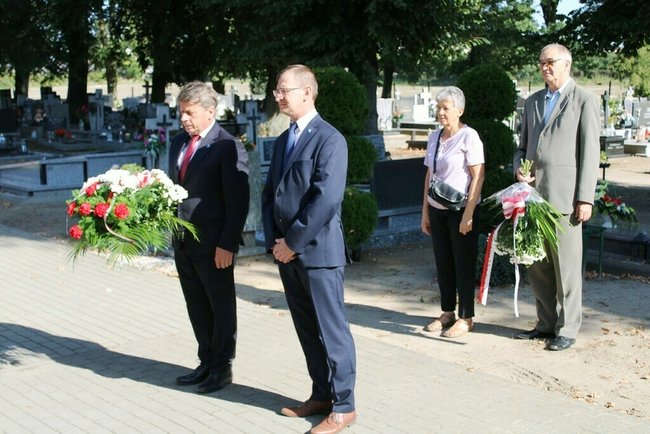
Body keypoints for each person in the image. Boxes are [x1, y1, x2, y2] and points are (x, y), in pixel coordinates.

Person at [262, 65, 357, 434]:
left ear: (307, 92)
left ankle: (344, 406)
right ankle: (322, 394)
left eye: (284, 89)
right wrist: (276, 242)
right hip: (286, 252)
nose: (278, 96)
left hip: (318, 254)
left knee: (332, 330)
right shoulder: (284, 139)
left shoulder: (330, 139)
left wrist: (292, 242)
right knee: (306, 329)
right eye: (277, 90)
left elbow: (326, 199)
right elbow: (271, 192)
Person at [513, 43, 600, 351]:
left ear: (566, 64)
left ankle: (568, 328)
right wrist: (518, 168)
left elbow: (590, 153)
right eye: (541, 62)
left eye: (550, 62)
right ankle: (546, 323)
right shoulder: (532, 101)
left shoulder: (584, 100)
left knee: (567, 269)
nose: (544, 67)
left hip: (565, 200)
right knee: (538, 267)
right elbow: (522, 148)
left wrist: (585, 198)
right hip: (533, 198)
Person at [169, 81, 250, 392]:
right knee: (197, 304)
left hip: (214, 243)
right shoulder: (178, 143)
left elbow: (238, 201)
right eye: (181, 112)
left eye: (189, 113)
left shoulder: (227, 146)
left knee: (220, 305)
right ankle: (205, 360)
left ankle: (222, 367)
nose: (183, 119)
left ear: (210, 112)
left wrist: (227, 244)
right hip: (183, 241)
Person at [421, 86, 485, 338]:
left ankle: (466, 317)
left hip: (461, 211)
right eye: (438, 108)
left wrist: (468, 214)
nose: (440, 112)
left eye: (445, 108)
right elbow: (429, 176)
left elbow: (478, 177)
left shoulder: (469, 136)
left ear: (459, 110)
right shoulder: (434, 138)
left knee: (463, 264)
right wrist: (425, 212)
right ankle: (447, 311)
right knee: (443, 263)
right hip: (437, 210)